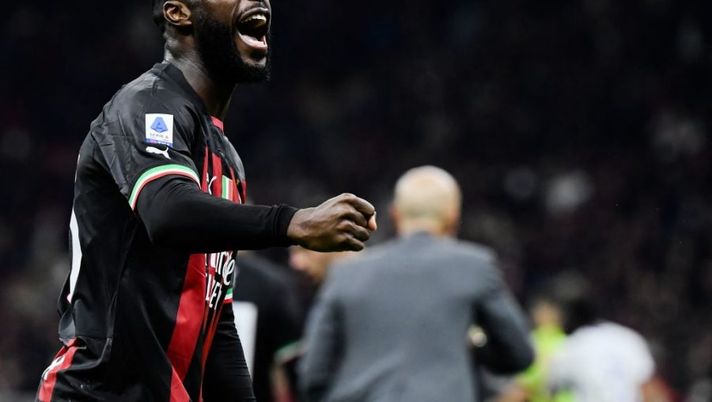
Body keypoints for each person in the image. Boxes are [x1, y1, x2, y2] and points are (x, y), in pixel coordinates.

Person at [36, 0, 377, 401]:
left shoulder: (227, 159)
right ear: (179, 13)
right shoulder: (146, 103)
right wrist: (293, 223)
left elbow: (217, 322)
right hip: (97, 393)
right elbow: (168, 211)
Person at [299, 166, 533, 402]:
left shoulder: (346, 274)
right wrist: (472, 347)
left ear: (395, 214)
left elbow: (312, 375)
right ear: (453, 215)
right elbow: (519, 354)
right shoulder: (473, 266)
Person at [546, 280, 656, 402]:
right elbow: (647, 388)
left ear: (568, 315)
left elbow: (550, 392)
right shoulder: (627, 337)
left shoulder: (569, 348)